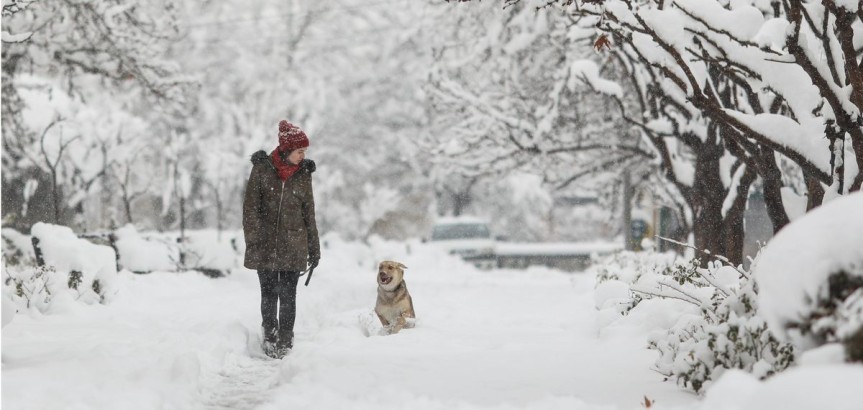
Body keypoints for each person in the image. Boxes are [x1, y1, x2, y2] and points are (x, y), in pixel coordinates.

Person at [243, 120, 320, 358]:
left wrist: (314, 248)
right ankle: (269, 334)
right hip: (265, 244)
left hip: (293, 245)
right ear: (287, 150)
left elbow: (309, 213)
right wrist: (254, 238)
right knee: (268, 294)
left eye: (304, 151)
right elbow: (250, 209)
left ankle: (286, 338)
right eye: (300, 151)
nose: (303, 156)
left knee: (288, 295)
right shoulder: (262, 169)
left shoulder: (304, 175)